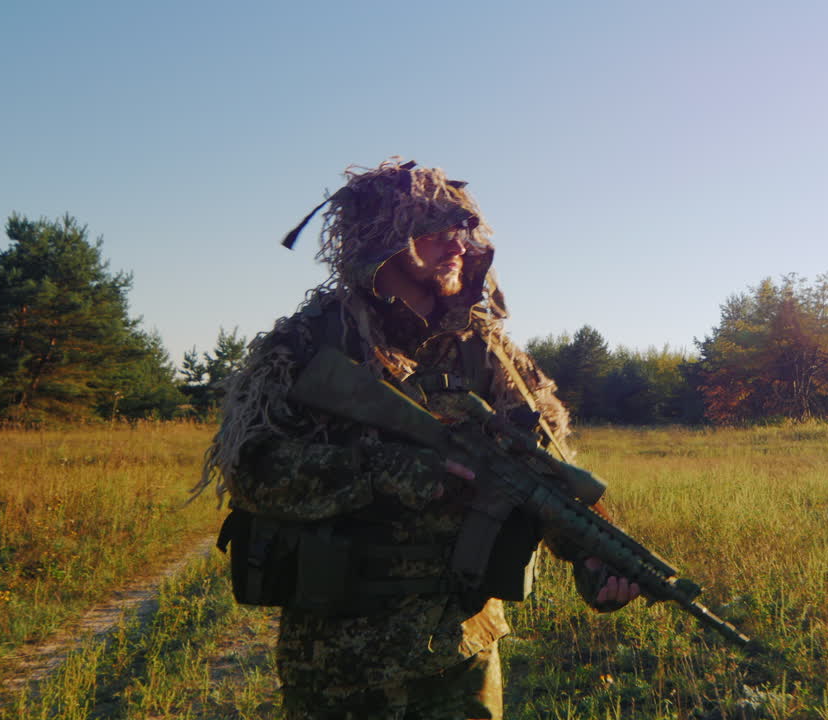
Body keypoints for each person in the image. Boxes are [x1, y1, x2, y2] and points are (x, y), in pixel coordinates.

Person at [197, 159, 640, 719]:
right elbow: (251, 470)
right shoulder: (309, 346)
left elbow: (544, 472)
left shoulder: (487, 351)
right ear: (379, 240)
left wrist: (594, 558)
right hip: (337, 659)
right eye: (430, 231)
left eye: (461, 230)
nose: (455, 243)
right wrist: (382, 471)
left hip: (462, 650)